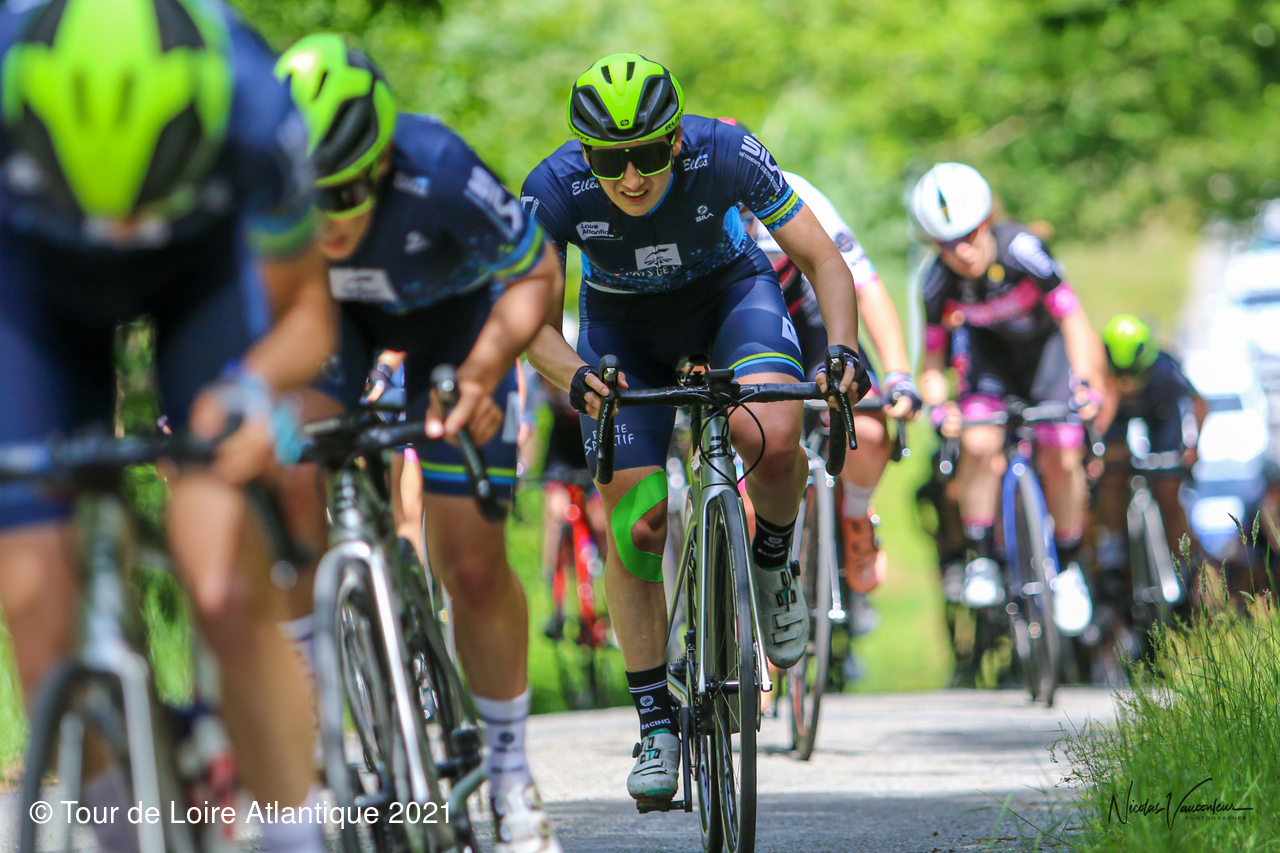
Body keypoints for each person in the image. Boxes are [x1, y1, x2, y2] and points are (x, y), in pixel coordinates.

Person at [0, 2, 336, 852]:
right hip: (34, 287)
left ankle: (295, 832)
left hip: (201, 282)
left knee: (224, 586)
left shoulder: (254, 104)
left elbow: (307, 314)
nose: (120, 230)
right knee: (34, 592)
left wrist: (253, 390)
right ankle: (118, 819)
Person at [520, 53, 864, 804]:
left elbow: (823, 260)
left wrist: (841, 350)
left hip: (731, 300)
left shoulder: (726, 151)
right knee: (637, 527)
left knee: (772, 434)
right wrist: (575, 375)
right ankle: (655, 722)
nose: (630, 178)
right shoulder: (553, 187)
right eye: (609, 160)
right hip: (623, 329)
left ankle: (771, 560)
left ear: (676, 139)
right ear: (584, 153)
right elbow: (525, 319)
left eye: (647, 154)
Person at [274, 35, 564, 853]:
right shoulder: (259, 178)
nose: (328, 220)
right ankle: (313, 725)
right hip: (335, 327)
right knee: (285, 472)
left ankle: (509, 772)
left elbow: (537, 272)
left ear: (381, 160)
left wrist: (481, 374)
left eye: (344, 195)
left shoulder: (437, 164)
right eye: (308, 201)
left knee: (469, 561)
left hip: (454, 329)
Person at [912, 162, 1104, 636]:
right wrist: (939, 408)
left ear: (987, 222)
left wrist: (1085, 383)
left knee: (1062, 452)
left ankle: (1070, 567)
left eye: (969, 236)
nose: (961, 252)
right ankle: (982, 559)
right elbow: (931, 361)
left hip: (1046, 358)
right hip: (989, 364)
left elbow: (1072, 318)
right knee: (977, 443)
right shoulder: (935, 282)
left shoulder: (1023, 250)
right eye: (946, 244)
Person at [732, 144, 922, 591]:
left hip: (811, 317)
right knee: (746, 486)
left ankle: (855, 516)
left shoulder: (795, 193)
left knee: (868, 431)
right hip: (745, 326)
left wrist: (898, 375)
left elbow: (865, 285)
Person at [1092, 314, 1205, 605]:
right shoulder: (1100, 371)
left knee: (1168, 490)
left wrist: (1192, 447)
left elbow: (1199, 403)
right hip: (1117, 420)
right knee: (1112, 476)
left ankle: (1186, 565)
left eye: (1134, 375)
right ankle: (1113, 550)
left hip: (1161, 419)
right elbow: (1097, 421)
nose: (1129, 384)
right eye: (1121, 376)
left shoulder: (1165, 370)